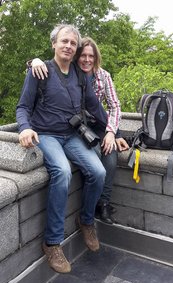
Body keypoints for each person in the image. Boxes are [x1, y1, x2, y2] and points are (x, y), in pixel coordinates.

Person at [16, 24, 117, 274]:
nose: (69, 46)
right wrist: (25, 129)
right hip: (47, 136)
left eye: (73, 43)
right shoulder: (39, 71)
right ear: (54, 44)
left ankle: (86, 221)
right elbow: (22, 107)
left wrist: (115, 132)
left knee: (99, 172)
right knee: (62, 172)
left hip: (72, 135)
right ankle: (52, 242)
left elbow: (97, 109)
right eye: (64, 41)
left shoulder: (79, 76)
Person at [30, 37, 129, 224]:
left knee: (109, 153)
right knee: (81, 163)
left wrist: (113, 133)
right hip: (74, 128)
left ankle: (103, 203)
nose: (87, 60)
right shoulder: (70, 73)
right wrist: (33, 61)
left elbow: (110, 108)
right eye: (83, 55)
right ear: (76, 56)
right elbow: (43, 70)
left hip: (97, 126)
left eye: (91, 56)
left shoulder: (103, 76)